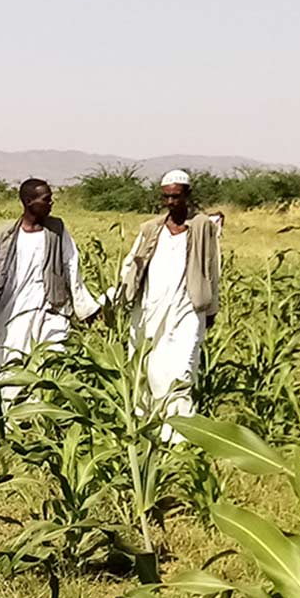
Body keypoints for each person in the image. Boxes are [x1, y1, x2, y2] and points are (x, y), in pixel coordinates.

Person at [0, 178, 100, 399]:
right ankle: (8, 416)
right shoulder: (6, 236)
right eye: (46, 199)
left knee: (50, 363)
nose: (51, 203)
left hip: (48, 311)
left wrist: (85, 309)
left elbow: (72, 267)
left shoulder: (57, 231)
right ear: (28, 202)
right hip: (11, 313)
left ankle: (42, 418)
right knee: (6, 365)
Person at [113, 169, 222, 439]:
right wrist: (118, 298)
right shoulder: (152, 229)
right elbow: (132, 265)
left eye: (176, 196)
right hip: (150, 310)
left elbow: (213, 268)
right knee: (147, 367)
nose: (171, 202)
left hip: (187, 310)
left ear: (187, 195)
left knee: (182, 368)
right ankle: (147, 427)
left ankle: (179, 436)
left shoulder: (202, 227)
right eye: (166, 197)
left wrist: (212, 307)